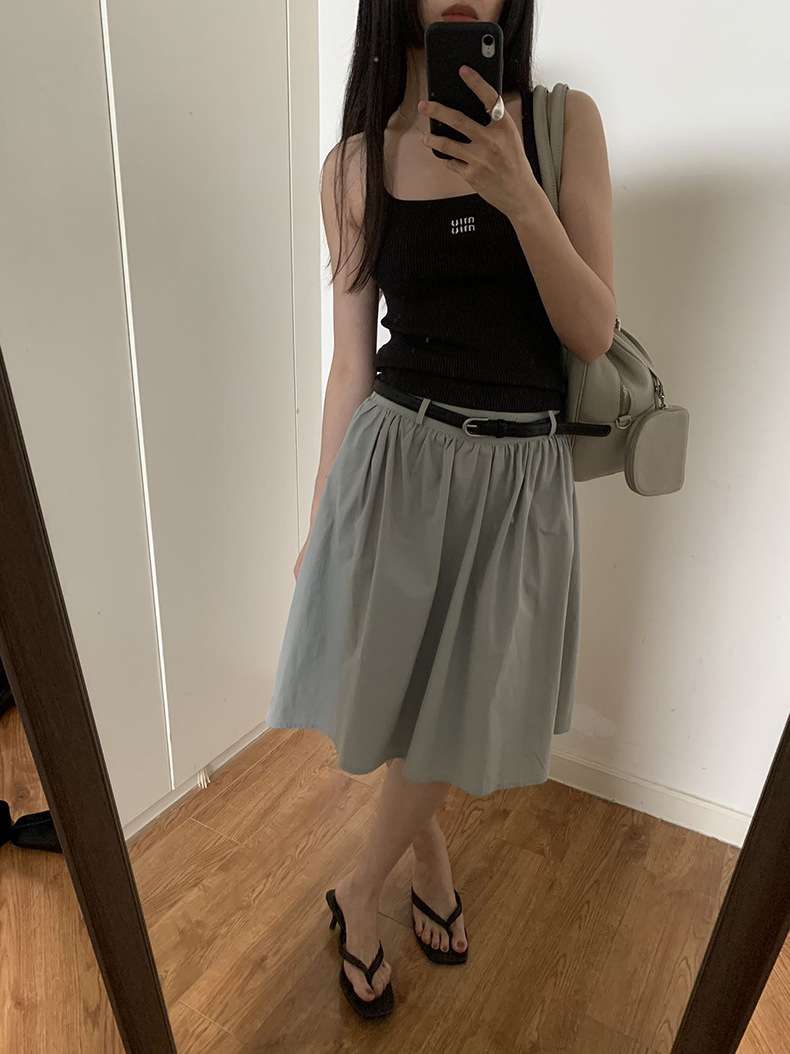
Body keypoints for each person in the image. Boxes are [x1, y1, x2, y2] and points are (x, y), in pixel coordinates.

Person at [265, 0, 616, 1018]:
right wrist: (319, 517)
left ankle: (358, 885)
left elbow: (593, 330)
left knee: (456, 707)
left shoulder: (562, 126)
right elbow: (349, 367)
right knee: (395, 692)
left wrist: (520, 195)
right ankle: (419, 864)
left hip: (515, 484)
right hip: (396, 462)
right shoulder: (353, 168)